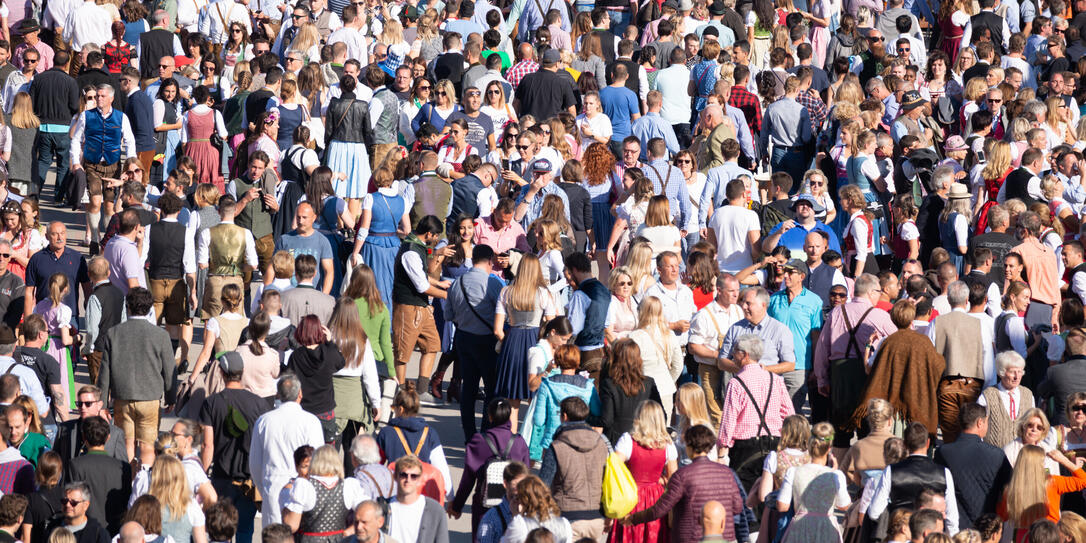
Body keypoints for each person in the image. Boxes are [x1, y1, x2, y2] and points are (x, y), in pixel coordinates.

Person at [624, 424, 747, 541]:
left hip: (690, 538)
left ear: (688, 446)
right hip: (723, 536)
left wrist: (633, 518)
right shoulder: (727, 473)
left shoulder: (682, 476)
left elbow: (660, 509)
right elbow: (737, 507)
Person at [197, 352, 270, 543]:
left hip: (222, 476)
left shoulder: (211, 403)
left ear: (221, 372)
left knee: (220, 530)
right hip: (248, 479)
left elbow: (207, 445)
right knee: (245, 529)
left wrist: (202, 475)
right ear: (242, 372)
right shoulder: (259, 404)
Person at [851, 300, 945, 437]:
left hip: (893, 408)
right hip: (915, 404)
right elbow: (938, 365)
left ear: (893, 318)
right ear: (912, 317)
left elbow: (868, 369)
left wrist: (867, 347)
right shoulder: (924, 341)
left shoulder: (886, 341)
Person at [249, 374, 325, 525]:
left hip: (273, 487)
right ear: (300, 394)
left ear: (278, 394)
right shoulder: (311, 422)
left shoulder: (264, 421)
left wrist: (264, 487)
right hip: (303, 490)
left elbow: (255, 464)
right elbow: (319, 464)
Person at [448, 398, 530, 536]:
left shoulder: (478, 441)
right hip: (513, 507)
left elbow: (467, 479)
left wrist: (457, 506)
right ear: (509, 416)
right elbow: (527, 478)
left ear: (490, 417)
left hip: (483, 507)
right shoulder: (519, 442)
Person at [493, 252, 556, 432]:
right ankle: (530, 443)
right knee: (534, 396)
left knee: (512, 399)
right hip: (535, 342)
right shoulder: (544, 293)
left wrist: (509, 341)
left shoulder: (506, 292)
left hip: (512, 341)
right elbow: (551, 323)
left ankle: (511, 442)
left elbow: (497, 330)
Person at [867, 422, 962, 534]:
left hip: (901, 534)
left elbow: (874, 512)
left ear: (905, 445)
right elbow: (952, 517)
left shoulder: (891, 471)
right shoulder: (944, 473)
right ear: (928, 443)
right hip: (930, 535)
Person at [934, 403, 1014, 531]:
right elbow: (1009, 487)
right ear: (980, 423)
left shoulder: (943, 452)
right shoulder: (997, 455)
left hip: (955, 529)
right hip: (986, 528)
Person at [608, 400, 678, 543]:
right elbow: (674, 478)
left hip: (630, 496)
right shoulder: (668, 445)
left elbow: (613, 468)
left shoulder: (628, 440)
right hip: (656, 497)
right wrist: (660, 479)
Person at [776, 422, 850, 542]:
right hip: (826, 529)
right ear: (829, 449)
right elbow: (843, 505)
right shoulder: (836, 475)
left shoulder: (793, 472)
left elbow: (782, 505)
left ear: (810, 446)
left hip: (800, 527)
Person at [526, 340, 598, 461]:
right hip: (579, 440)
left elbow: (538, 420)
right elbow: (597, 412)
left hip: (552, 441)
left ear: (558, 361)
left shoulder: (547, 385)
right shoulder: (588, 386)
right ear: (577, 361)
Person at [375, 387, 452, 498]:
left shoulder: (386, 433)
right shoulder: (430, 433)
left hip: (395, 493)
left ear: (400, 409)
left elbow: (376, 466)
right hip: (422, 494)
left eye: (393, 408)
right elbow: (441, 467)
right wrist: (451, 498)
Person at [997, 445, 1086, 540]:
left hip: (1025, 537)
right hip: (1050, 536)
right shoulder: (1052, 482)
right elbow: (1084, 480)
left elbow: (1002, 516)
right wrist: (1064, 460)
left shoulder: (1010, 490)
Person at [281, 445, 366, 540]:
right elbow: (366, 515)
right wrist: (349, 531)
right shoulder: (348, 486)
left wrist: (284, 509)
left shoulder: (304, 486)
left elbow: (291, 526)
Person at [66, 417, 130, 534]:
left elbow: (72, 501)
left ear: (84, 438)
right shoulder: (123, 467)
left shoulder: (76, 465)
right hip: (115, 530)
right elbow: (127, 500)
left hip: (85, 530)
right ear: (108, 438)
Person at [597, 339, 662, 444]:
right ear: (638, 359)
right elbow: (660, 413)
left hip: (617, 442)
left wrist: (589, 419)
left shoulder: (608, 384)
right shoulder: (649, 383)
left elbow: (606, 420)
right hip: (644, 439)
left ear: (615, 360)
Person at [50, 385, 126, 464]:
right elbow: (55, 459)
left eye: (88, 404)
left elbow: (122, 466)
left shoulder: (115, 434)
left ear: (99, 405)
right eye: (79, 404)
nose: (83, 407)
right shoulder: (64, 428)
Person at [386, 456, 449, 543]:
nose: (408, 480)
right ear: (395, 477)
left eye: (413, 476)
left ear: (419, 479)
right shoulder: (383, 507)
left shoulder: (435, 510)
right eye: (403, 475)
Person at [978, 350, 1032, 448]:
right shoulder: (987, 396)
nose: (1016, 376)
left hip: (1022, 455)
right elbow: (978, 428)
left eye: (1019, 372)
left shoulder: (1028, 395)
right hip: (994, 455)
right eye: (1012, 372)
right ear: (1001, 372)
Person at [44, 483, 109, 543]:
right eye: (64, 501)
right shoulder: (52, 528)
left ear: (85, 505)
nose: (67, 505)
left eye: (73, 503)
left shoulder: (98, 534)